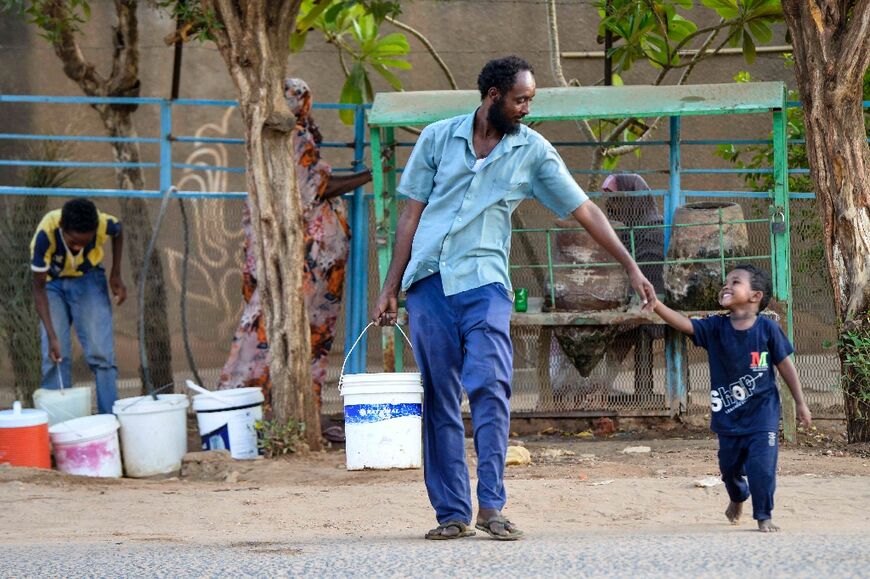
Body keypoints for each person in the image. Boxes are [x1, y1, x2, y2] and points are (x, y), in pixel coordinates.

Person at [371, 56, 656, 541]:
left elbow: (584, 208)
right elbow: (409, 217)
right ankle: (452, 513)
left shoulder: (533, 151)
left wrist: (631, 265)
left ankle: (492, 505)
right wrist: (390, 287)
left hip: (485, 285)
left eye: (530, 100)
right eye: (521, 99)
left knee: (491, 385)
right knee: (440, 396)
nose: (527, 107)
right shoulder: (437, 139)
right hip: (429, 284)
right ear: (493, 96)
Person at [218, 77, 373, 443]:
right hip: (304, 263)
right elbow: (314, 189)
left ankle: (294, 414)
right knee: (285, 332)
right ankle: (245, 410)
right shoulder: (291, 136)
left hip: (306, 262)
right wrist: (371, 174)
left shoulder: (267, 137)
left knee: (297, 334)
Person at [652, 264, 812, 532]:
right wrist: (656, 304)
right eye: (725, 282)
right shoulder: (715, 327)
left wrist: (800, 401)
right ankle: (737, 496)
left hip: (763, 415)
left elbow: (785, 365)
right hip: (729, 416)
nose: (726, 286)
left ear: (755, 296)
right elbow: (684, 324)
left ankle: (764, 515)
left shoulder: (768, 330)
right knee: (729, 468)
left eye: (735, 282)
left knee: (762, 467)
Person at [31, 197, 126, 414]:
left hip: (88, 278)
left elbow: (118, 230)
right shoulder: (46, 234)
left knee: (101, 353)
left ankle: (108, 422)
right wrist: (52, 335)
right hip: (51, 286)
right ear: (62, 227)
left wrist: (116, 273)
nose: (78, 247)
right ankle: (60, 426)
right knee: (55, 354)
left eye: (85, 242)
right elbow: (38, 289)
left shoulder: (102, 223)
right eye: (73, 241)